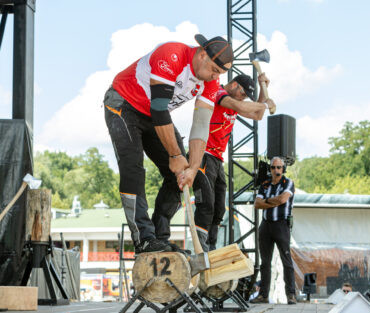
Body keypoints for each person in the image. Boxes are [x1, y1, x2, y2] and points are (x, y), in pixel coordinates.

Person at [104, 34, 233, 255]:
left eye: (220, 74)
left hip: (155, 115)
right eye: (214, 70)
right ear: (202, 55)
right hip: (125, 104)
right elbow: (159, 109)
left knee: (180, 176)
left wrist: (191, 167)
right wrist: (174, 155)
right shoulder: (172, 55)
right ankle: (143, 240)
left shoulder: (211, 82)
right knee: (133, 169)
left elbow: (201, 126)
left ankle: (159, 239)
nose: (215, 77)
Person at [192, 73, 276, 251]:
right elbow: (241, 106)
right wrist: (265, 103)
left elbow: (257, 115)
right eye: (243, 94)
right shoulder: (218, 93)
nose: (243, 98)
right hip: (203, 154)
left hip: (217, 158)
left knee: (219, 208)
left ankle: (211, 247)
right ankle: (201, 249)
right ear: (236, 85)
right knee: (206, 204)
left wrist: (262, 88)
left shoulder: (236, 100)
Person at [250, 157, 296, 305]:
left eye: (279, 168)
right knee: (265, 262)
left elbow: (283, 199)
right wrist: (273, 202)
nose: (276, 170)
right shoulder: (265, 184)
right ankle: (263, 295)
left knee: (286, 260)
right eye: (273, 167)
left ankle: (291, 295)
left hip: (281, 224)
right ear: (270, 169)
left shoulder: (288, 183)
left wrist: (267, 202)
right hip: (266, 225)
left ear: (283, 169)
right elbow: (257, 204)